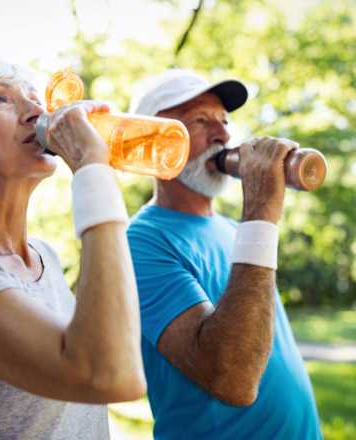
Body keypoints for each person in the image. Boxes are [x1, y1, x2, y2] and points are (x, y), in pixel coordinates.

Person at [0, 61, 146, 440]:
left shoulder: (45, 257)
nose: (37, 112)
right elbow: (109, 374)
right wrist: (92, 169)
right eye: (1, 99)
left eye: (35, 99)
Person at [127, 69, 322, 439]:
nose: (223, 135)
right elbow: (233, 379)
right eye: (200, 121)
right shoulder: (141, 241)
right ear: (150, 143)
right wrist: (262, 211)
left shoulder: (237, 231)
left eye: (224, 120)